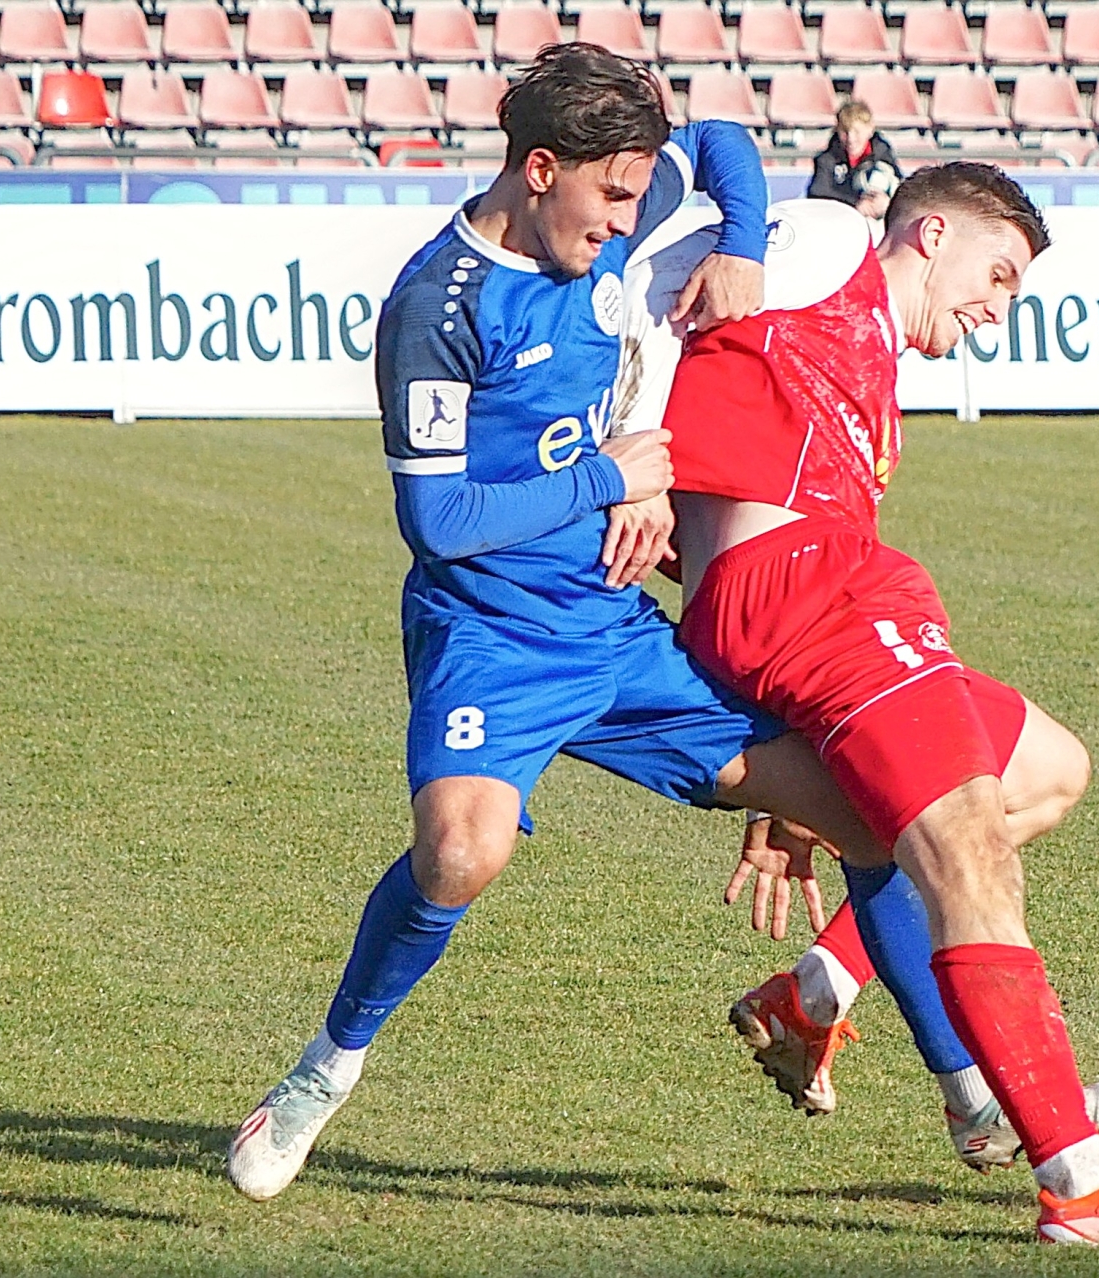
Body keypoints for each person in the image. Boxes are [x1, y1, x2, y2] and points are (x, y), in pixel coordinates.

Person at [225, 44, 895, 1205]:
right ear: (539, 170)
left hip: (615, 626)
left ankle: (978, 1096)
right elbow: (436, 518)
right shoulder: (438, 306)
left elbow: (725, 142)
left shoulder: (613, 213)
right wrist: (610, 476)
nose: (631, 218)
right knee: (459, 854)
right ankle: (320, 1076)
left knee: (872, 809)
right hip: (491, 631)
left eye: (639, 191)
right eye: (613, 197)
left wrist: (739, 243)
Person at [617, 176, 1099, 1250]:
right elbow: (662, 249)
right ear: (930, 233)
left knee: (1047, 772)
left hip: (818, 593)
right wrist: (634, 460)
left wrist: (797, 766)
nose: (998, 309)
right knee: (965, 847)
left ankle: (826, 999)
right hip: (809, 589)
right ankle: (1075, 1177)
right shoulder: (831, 244)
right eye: (998, 275)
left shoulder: (867, 355)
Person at [807, 100, 902, 223]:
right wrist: (855, 204)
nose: (851, 139)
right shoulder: (826, 159)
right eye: (845, 132)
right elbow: (817, 194)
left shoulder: (883, 155)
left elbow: (901, 187)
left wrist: (889, 203)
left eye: (857, 131)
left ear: (870, 129)